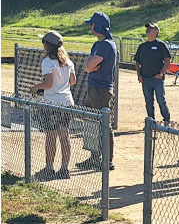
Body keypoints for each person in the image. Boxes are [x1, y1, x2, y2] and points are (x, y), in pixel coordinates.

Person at [31, 31, 76, 180]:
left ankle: (49, 168)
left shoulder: (47, 62)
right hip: (67, 101)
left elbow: (48, 83)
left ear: (47, 45)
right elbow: (73, 81)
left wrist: (36, 87)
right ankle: (65, 168)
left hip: (52, 103)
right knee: (65, 135)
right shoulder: (68, 61)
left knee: (51, 136)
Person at [76, 12, 117, 171]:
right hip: (93, 87)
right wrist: (90, 67)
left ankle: (107, 160)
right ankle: (94, 158)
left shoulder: (106, 44)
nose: (90, 26)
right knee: (92, 124)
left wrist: (90, 67)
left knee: (104, 124)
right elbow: (88, 66)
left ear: (99, 26)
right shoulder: (97, 44)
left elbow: (88, 66)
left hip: (101, 90)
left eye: (92, 24)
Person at [134, 22, 171, 126]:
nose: (148, 30)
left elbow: (167, 60)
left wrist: (161, 73)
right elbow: (137, 62)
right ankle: (151, 122)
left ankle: (166, 120)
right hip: (145, 79)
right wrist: (139, 75)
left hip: (158, 79)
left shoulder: (160, 45)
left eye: (151, 28)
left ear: (156, 32)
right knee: (148, 102)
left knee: (161, 100)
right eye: (147, 28)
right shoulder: (142, 46)